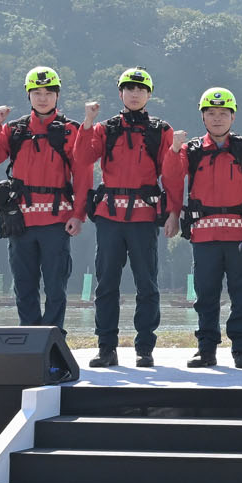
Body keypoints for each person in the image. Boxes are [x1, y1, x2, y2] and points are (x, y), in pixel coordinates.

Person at [0, 66, 89, 332]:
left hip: (56, 221)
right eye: (37, 93)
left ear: (57, 95)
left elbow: (83, 177)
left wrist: (78, 215)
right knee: (24, 286)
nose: (43, 98)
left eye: (48, 92)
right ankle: (28, 338)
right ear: (28, 95)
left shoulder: (71, 131)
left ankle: (53, 340)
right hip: (20, 221)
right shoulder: (15, 130)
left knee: (55, 286)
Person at [162, 88, 242, 368]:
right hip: (204, 234)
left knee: (241, 295)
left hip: (240, 233)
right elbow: (172, 178)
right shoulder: (192, 150)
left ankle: (241, 349)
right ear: (203, 116)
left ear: (233, 117)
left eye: (223, 113)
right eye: (211, 113)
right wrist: (174, 149)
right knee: (206, 295)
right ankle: (206, 349)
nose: (217, 118)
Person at [76, 68, 171, 368]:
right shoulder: (105, 128)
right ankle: (106, 348)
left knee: (147, 284)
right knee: (106, 284)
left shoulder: (161, 130)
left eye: (141, 89)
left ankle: (145, 348)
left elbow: (171, 175)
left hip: (144, 216)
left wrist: (172, 213)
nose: (135, 94)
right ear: (120, 93)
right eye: (129, 89)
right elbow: (82, 158)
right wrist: (87, 122)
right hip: (109, 216)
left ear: (149, 95)